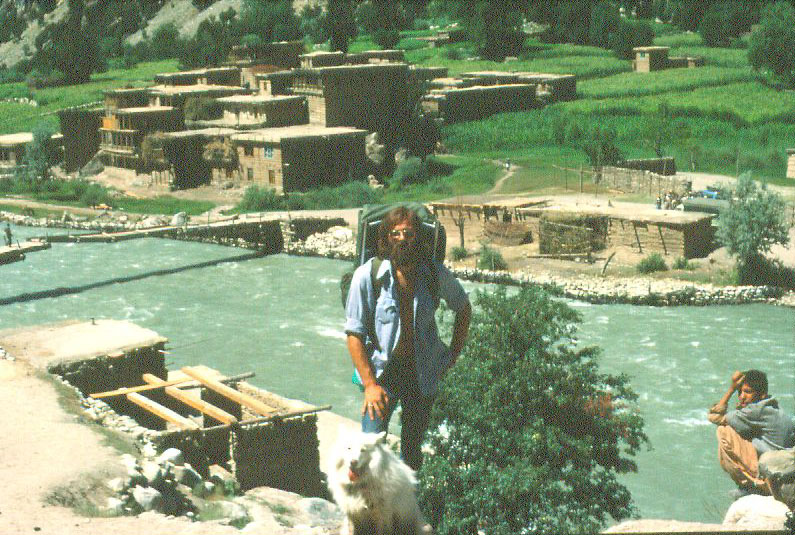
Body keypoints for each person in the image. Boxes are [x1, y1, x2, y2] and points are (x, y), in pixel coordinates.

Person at [344, 206, 471, 471]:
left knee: (412, 451)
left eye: (409, 234)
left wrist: (452, 355)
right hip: (382, 374)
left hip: (421, 373)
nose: (402, 240)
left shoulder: (434, 274)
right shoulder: (367, 276)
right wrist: (370, 385)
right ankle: (368, 496)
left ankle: (406, 496)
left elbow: (463, 308)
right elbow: (354, 334)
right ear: (386, 238)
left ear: (418, 238)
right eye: (395, 234)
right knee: (368, 446)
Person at [708, 370, 795, 496]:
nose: (742, 397)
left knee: (724, 430)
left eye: (747, 392)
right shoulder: (772, 406)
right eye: (739, 392)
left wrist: (731, 389)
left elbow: (714, 416)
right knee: (737, 429)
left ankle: (751, 485)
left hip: (771, 470)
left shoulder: (756, 410)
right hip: (782, 467)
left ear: (762, 395)